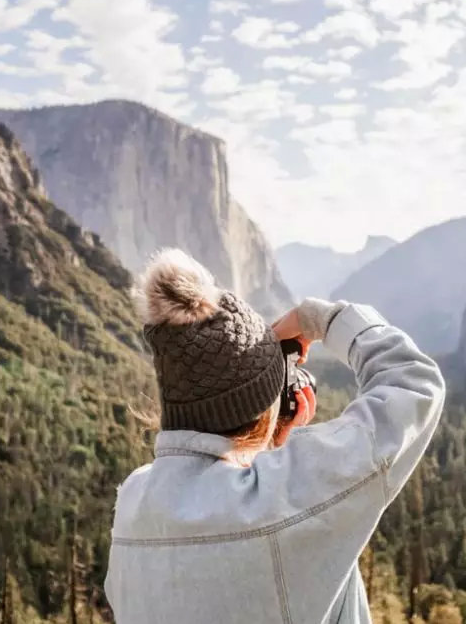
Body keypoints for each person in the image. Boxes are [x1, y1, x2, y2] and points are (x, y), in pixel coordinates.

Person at [104, 248, 446, 623]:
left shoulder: (133, 506)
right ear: (264, 408)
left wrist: (270, 438)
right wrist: (324, 319)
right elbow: (414, 383)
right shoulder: (283, 499)